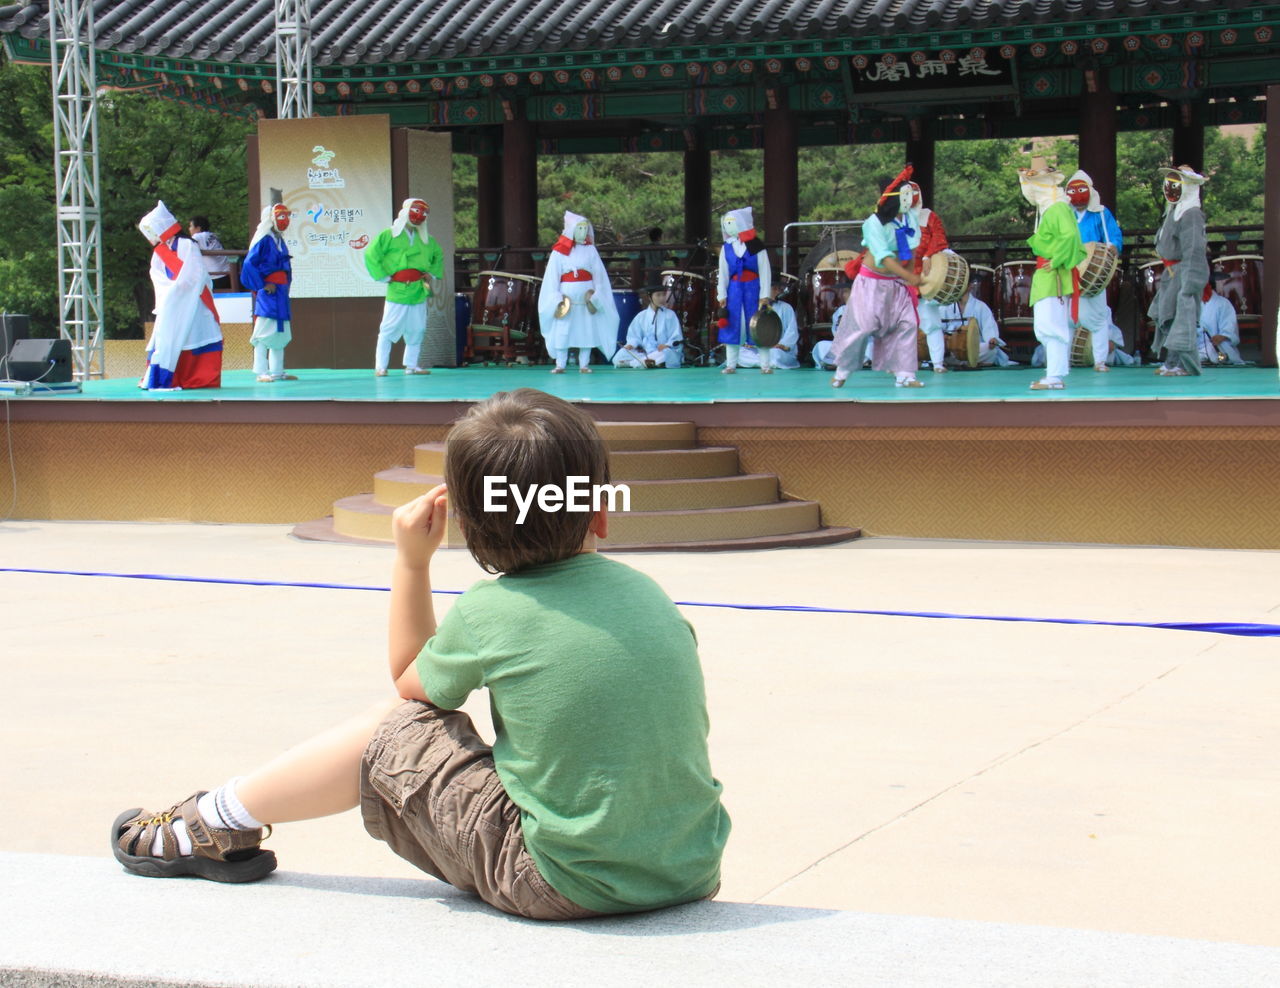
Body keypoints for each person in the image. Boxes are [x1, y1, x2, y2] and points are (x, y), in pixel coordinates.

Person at [111, 388, 731, 919]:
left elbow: (411, 687)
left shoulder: (492, 611)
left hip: (561, 884)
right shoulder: (648, 595)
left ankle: (211, 821)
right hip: (687, 869)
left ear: (468, 524)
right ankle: (214, 819)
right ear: (600, 510)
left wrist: (412, 561)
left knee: (398, 726)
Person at [829, 170, 924, 389]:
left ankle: (905, 375)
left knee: (907, 323)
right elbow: (885, 257)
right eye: (905, 195)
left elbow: (912, 249)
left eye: (911, 195)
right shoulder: (874, 223)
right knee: (864, 326)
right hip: (871, 283)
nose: (909, 200)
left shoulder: (910, 219)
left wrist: (910, 277)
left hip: (897, 283)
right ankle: (843, 369)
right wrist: (909, 276)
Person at [137, 200, 223, 391]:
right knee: (165, 337)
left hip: (194, 301)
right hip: (171, 300)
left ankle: (197, 379)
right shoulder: (160, 251)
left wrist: (177, 291)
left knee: (194, 333)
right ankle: (162, 377)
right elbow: (156, 275)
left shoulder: (186, 244)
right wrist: (170, 292)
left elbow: (195, 274)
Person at [1018, 163, 1086, 391]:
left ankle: (1055, 376)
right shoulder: (1052, 208)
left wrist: (1056, 261)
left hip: (1053, 273)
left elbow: (1070, 238)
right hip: (1047, 274)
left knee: (1052, 326)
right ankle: (1053, 374)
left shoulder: (1057, 208)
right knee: (1045, 326)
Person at [364, 197, 444, 377]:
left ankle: (411, 365)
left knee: (417, 328)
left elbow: (438, 256)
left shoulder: (427, 240)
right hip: (397, 289)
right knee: (388, 328)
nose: (419, 216)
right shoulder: (388, 235)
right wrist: (383, 276)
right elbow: (371, 254)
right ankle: (381, 366)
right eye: (416, 211)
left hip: (417, 288)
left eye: (423, 213)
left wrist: (430, 273)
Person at [538, 210, 619, 373]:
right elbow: (552, 277)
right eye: (579, 228)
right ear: (571, 230)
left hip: (585, 299)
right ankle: (560, 364)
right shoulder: (559, 251)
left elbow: (599, 276)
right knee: (562, 331)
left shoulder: (591, 250)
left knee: (586, 331)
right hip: (566, 300)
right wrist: (555, 297)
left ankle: (584, 364)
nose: (583, 232)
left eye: (585, 228)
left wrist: (597, 294)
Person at [1149, 164, 1210, 377]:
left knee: (1182, 317)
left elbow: (1194, 249)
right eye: (1169, 184)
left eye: (1175, 184)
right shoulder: (1175, 210)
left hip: (1184, 270)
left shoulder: (1191, 213)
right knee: (1169, 316)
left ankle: (1184, 365)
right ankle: (1172, 361)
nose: (1170, 189)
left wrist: (1191, 283)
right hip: (1172, 271)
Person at [1064, 171, 1124, 373]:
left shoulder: (1101, 212)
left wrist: (1114, 246)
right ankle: (1064, 361)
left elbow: (1114, 234)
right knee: (1066, 320)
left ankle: (1100, 361)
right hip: (1068, 270)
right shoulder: (1064, 213)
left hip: (1092, 272)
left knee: (1098, 320)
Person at [896, 181, 953, 373]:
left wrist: (929, 255)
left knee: (931, 324)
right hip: (904, 276)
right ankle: (902, 365)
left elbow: (939, 237)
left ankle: (937, 363)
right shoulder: (896, 219)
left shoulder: (928, 215)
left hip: (926, 276)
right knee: (901, 325)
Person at [239, 204, 298, 383]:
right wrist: (263, 284)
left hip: (280, 291)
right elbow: (249, 264)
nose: (284, 220)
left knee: (279, 332)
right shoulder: (264, 239)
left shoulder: (278, 240)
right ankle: (260, 371)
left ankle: (277, 371)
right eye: (280, 216)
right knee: (264, 331)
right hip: (269, 291)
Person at [715, 206, 772, 374]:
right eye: (726, 223)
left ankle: (765, 365)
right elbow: (723, 273)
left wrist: (764, 295)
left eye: (731, 223)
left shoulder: (756, 246)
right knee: (731, 325)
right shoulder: (726, 247)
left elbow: (765, 270)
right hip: (734, 290)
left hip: (753, 288)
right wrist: (722, 294)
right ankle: (731, 365)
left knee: (758, 326)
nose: (728, 226)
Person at [934, 285, 1016, 368]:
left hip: (975, 348)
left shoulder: (981, 306)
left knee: (992, 351)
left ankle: (960, 362)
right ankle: (972, 362)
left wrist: (992, 340)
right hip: (953, 350)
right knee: (939, 349)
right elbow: (939, 330)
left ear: (971, 286)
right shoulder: (945, 307)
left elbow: (989, 328)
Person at [739, 274, 800, 370]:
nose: (777, 290)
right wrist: (746, 343)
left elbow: (792, 333)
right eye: (774, 287)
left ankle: (762, 362)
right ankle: (764, 362)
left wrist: (780, 345)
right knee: (739, 353)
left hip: (778, 350)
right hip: (756, 350)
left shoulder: (786, 308)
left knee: (775, 355)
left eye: (778, 287)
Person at [613, 286, 682, 368]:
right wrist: (631, 344)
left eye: (663, 295)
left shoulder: (670, 315)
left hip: (664, 351)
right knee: (619, 356)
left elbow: (676, 337)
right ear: (650, 297)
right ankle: (644, 363)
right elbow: (634, 335)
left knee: (662, 354)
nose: (662, 298)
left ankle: (634, 363)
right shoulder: (641, 316)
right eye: (658, 295)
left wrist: (667, 345)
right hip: (645, 352)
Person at [1197, 276, 1245, 365]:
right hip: (1197, 346)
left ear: (1209, 287)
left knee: (1217, 356)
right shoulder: (1193, 303)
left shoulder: (1223, 303)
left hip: (1219, 346)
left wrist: (1223, 335)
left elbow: (1229, 325)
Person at [188, 216, 231, 290]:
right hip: (227, 273)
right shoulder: (212, 235)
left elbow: (187, 248)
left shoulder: (198, 236)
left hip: (215, 277)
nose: (189, 229)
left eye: (191, 226)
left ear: (198, 228)